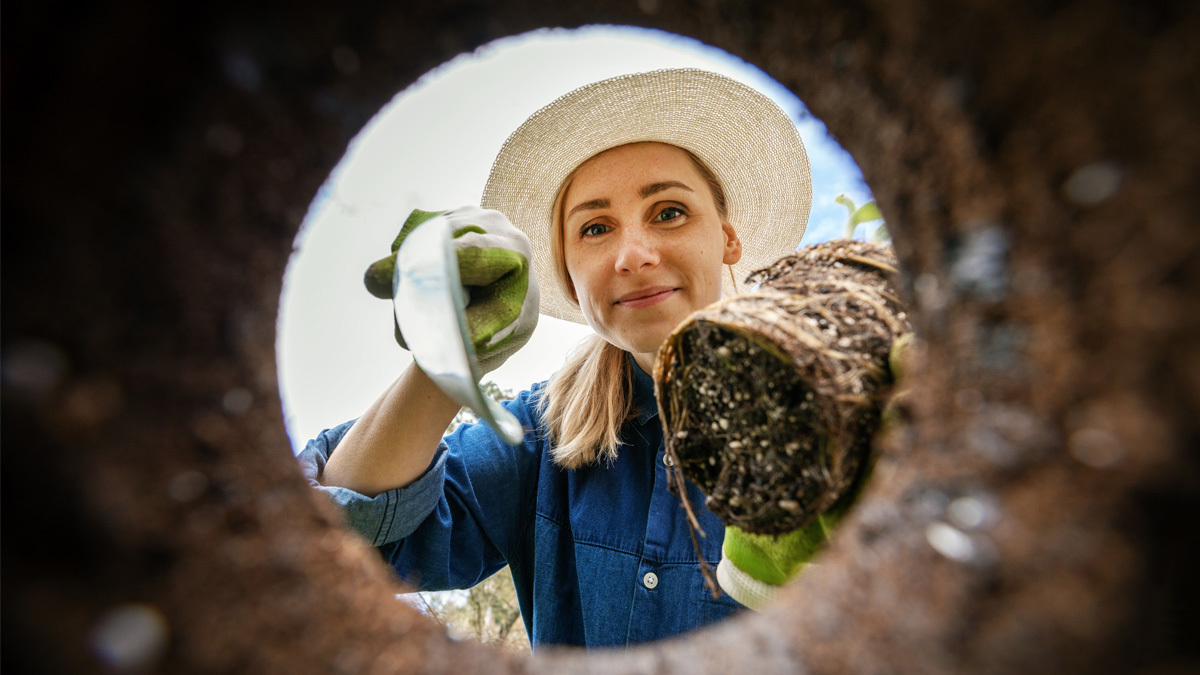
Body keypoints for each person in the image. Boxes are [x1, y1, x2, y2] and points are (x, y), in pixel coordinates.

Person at [298, 69, 813, 649]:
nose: (634, 255)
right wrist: (443, 368)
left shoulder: (826, 413)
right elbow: (343, 546)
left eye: (668, 212)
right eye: (595, 228)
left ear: (728, 237)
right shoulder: (540, 438)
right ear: (568, 277)